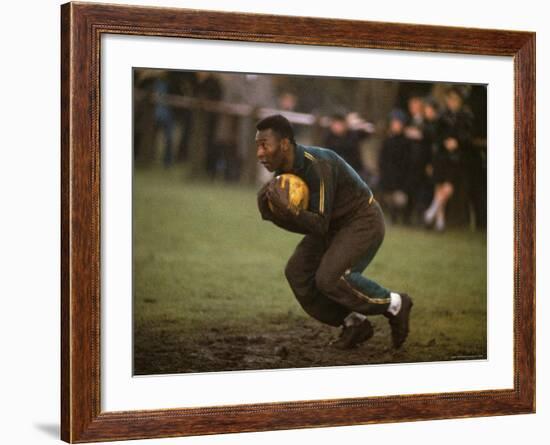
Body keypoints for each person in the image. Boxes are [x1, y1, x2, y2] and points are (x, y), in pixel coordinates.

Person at [255, 114, 413, 350]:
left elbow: (317, 224)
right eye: (257, 146)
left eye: (264, 145)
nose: (259, 153)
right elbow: (308, 225)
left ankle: (396, 304)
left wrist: (289, 210)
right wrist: (272, 214)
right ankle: (354, 323)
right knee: (297, 272)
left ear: (285, 144)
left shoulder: (318, 164)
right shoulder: (283, 177)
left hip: (361, 221)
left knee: (330, 277)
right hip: (330, 227)